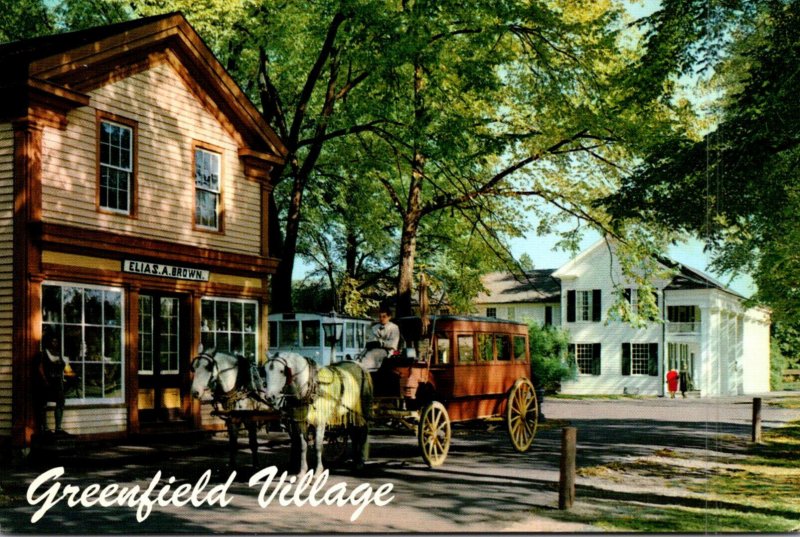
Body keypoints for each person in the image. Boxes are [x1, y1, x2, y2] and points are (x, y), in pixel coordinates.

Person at [33, 332, 68, 434]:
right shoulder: (43, 354)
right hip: (47, 383)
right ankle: (45, 427)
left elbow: (64, 368)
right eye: (53, 341)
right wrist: (44, 380)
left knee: (61, 402)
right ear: (48, 342)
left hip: (58, 382)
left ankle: (58, 428)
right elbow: (40, 368)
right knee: (43, 404)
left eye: (56, 341)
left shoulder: (58, 354)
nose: (55, 343)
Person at [359, 306, 400, 371]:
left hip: (388, 351)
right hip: (374, 349)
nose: (381, 318)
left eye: (384, 316)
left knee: (372, 356)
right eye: (380, 316)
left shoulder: (394, 328)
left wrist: (380, 343)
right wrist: (370, 343)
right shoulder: (375, 327)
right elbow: (371, 339)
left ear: (389, 317)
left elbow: (393, 343)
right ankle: (360, 368)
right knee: (361, 356)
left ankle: (367, 370)